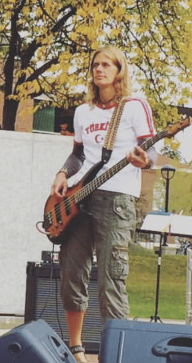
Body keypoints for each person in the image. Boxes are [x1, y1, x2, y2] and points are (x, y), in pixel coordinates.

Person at [50, 46, 156, 363]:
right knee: (72, 273)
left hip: (117, 199)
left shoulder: (135, 106)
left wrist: (143, 160)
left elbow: (150, 152)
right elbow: (78, 155)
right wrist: (62, 173)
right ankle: (76, 348)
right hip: (79, 197)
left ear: (119, 70)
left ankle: (114, 355)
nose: (99, 69)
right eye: (96, 65)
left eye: (106, 64)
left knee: (111, 278)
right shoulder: (84, 112)